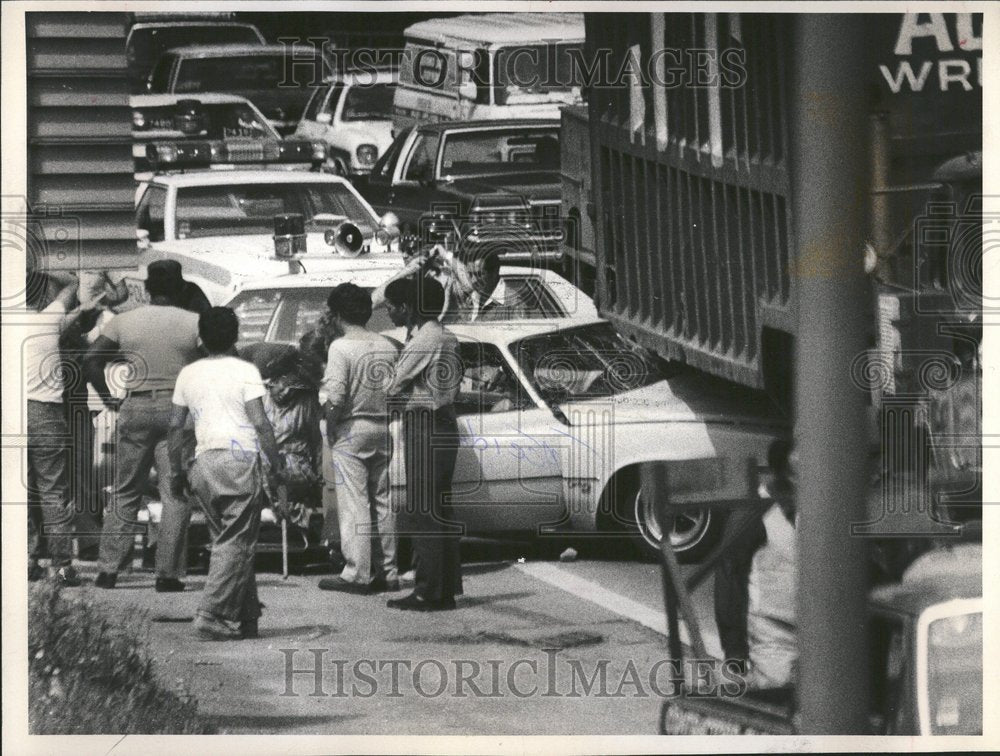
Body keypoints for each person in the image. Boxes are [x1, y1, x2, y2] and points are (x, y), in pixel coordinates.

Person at [168, 307, 283, 641]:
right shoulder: (246, 370)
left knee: (231, 540)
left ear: (201, 339)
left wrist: (176, 471)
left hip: (203, 462)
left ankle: (247, 617)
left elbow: (175, 427)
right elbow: (261, 423)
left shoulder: (188, 374)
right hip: (239, 459)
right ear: (236, 337)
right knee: (236, 542)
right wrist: (277, 466)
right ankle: (212, 613)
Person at [85, 260, 200, 592]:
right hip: (178, 410)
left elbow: (90, 360)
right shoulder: (193, 322)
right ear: (180, 289)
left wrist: (109, 399)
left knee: (125, 489)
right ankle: (168, 574)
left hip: (135, 404)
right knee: (174, 492)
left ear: (147, 289)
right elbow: (221, 356)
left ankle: (109, 570)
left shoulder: (124, 322)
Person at [384, 276, 464, 611]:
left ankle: (428, 590)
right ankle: (443, 588)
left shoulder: (424, 340)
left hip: (424, 424)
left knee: (422, 510)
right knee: (440, 510)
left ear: (410, 307)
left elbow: (391, 385)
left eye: (393, 306)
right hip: (446, 423)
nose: (389, 311)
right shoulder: (448, 336)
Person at [317, 283, 401, 595]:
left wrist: (330, 423)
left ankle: (357, 572)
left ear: (337, 314)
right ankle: (389, 570)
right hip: (383, 426)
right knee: (382, 502)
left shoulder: (340, 347)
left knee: (354, 503)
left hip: (352, 429)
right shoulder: (386, 345)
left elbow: (336, 397)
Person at [25, 269, 101, 586]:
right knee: (54, 492)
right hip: (47, 413)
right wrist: (43, 269)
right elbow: (72, 285)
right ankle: (61, 568)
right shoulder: (47, 321)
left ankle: (26, 560)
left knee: (17, 494)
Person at [714, 436, 798, 689]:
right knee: (782, 693)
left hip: (823, 632)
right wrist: (735, 654)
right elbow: (729, 578)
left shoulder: (824, 506)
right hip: (773, 636)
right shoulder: (755, 510)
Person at [242, 342, 324, 534]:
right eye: (282, 384)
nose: (286, 391)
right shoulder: (260, 399)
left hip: (296, 466)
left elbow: (316, 441)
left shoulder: (307, 401)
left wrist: (320, 478)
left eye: (293, 387)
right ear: (273, 380)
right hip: (264, 465)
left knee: (290, 472)